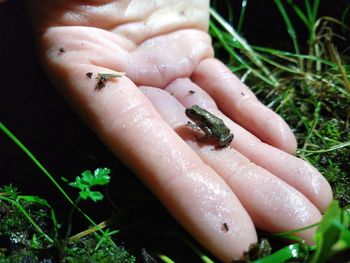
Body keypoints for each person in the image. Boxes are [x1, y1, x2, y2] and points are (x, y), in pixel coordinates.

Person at [22, 1, 332, 261]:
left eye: (194, 113)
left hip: (220, 135)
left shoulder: (203, 123)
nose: (191, 114)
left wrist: (207, 138)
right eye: (193, 114)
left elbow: (216, 132)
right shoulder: (196, 118)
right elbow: (198, 120)